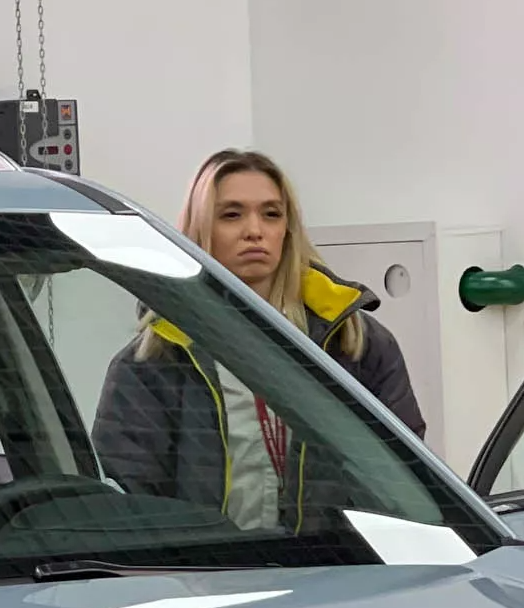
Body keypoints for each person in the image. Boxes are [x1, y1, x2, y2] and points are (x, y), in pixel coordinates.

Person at [92, 149, 424, 531]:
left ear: (288, 229)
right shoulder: (154, 362)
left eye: (271, 214)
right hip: (213, 565)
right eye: (231, 215)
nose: (254, 231)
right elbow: (133, 503)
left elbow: (405, 481)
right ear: (201, 229)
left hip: (341, 563)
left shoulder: (354, 343)